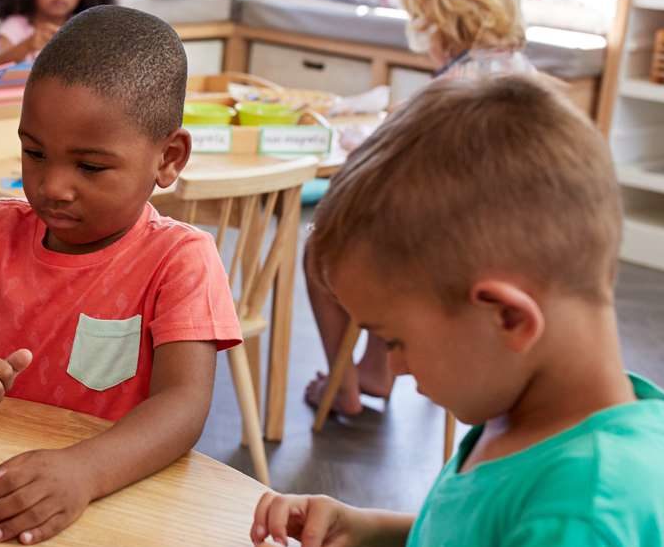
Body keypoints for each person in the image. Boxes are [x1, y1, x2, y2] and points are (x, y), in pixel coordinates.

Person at [252, 75, 664, 547]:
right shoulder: (525, 411)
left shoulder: (582, 515)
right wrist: (370, 530)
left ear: (508, 318)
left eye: (394, 340)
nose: (394, 366)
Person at [0, 6, 241, 545]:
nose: (53, 186)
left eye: (90, 167)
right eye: (34, 152)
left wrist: (85, 471)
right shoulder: (1, 230)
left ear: (169, 158)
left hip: (113, 496)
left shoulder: (180, 259)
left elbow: (183, 406)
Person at [307, 0, 536, 415]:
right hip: (510, 257)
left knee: (322, 247)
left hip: (443, 263)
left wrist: (356, 142)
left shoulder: (449, 94)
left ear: (442, 22)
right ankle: (376, 370)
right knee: (387, 231)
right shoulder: (527, 79)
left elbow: (377, 165)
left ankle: (344, 385)